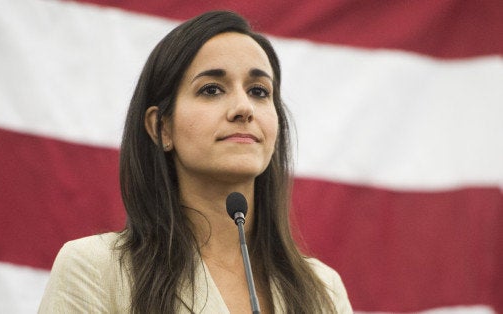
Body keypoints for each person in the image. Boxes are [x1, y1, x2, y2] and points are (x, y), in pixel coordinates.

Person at [39, 10, 352, 313]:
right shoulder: (94, 269)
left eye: (258, 91)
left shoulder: (324, 289)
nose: (244, 108)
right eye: (212, 89)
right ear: (161, 127)